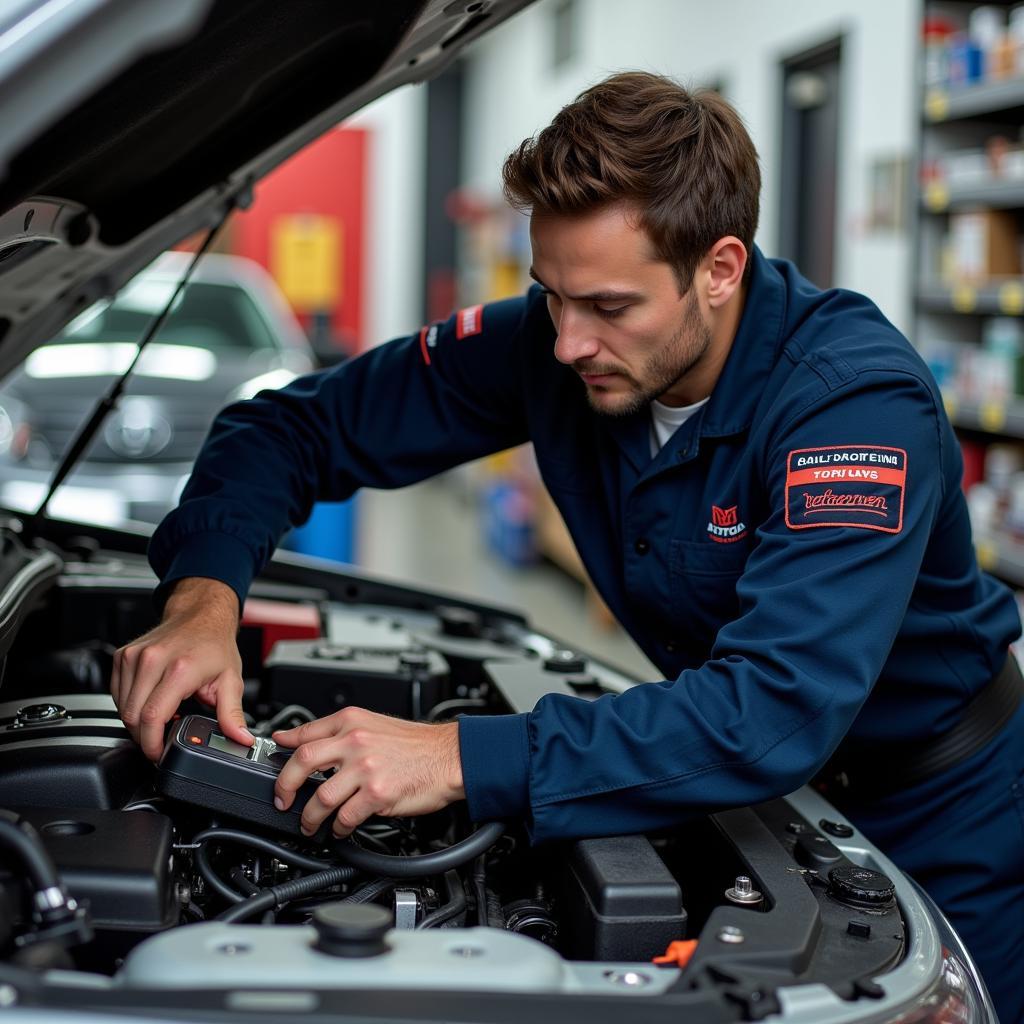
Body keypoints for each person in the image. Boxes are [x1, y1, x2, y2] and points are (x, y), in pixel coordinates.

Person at [111, 73, 1023, 1019]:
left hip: (939, 811)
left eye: (609, 306)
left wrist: (458, 757)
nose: (566, 344)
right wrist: (204, 601)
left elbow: (774, 709)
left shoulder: (851, 404)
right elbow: (289, 430)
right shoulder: (562, 343)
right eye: (551, 296)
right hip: (752, 797)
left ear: (719, 268)